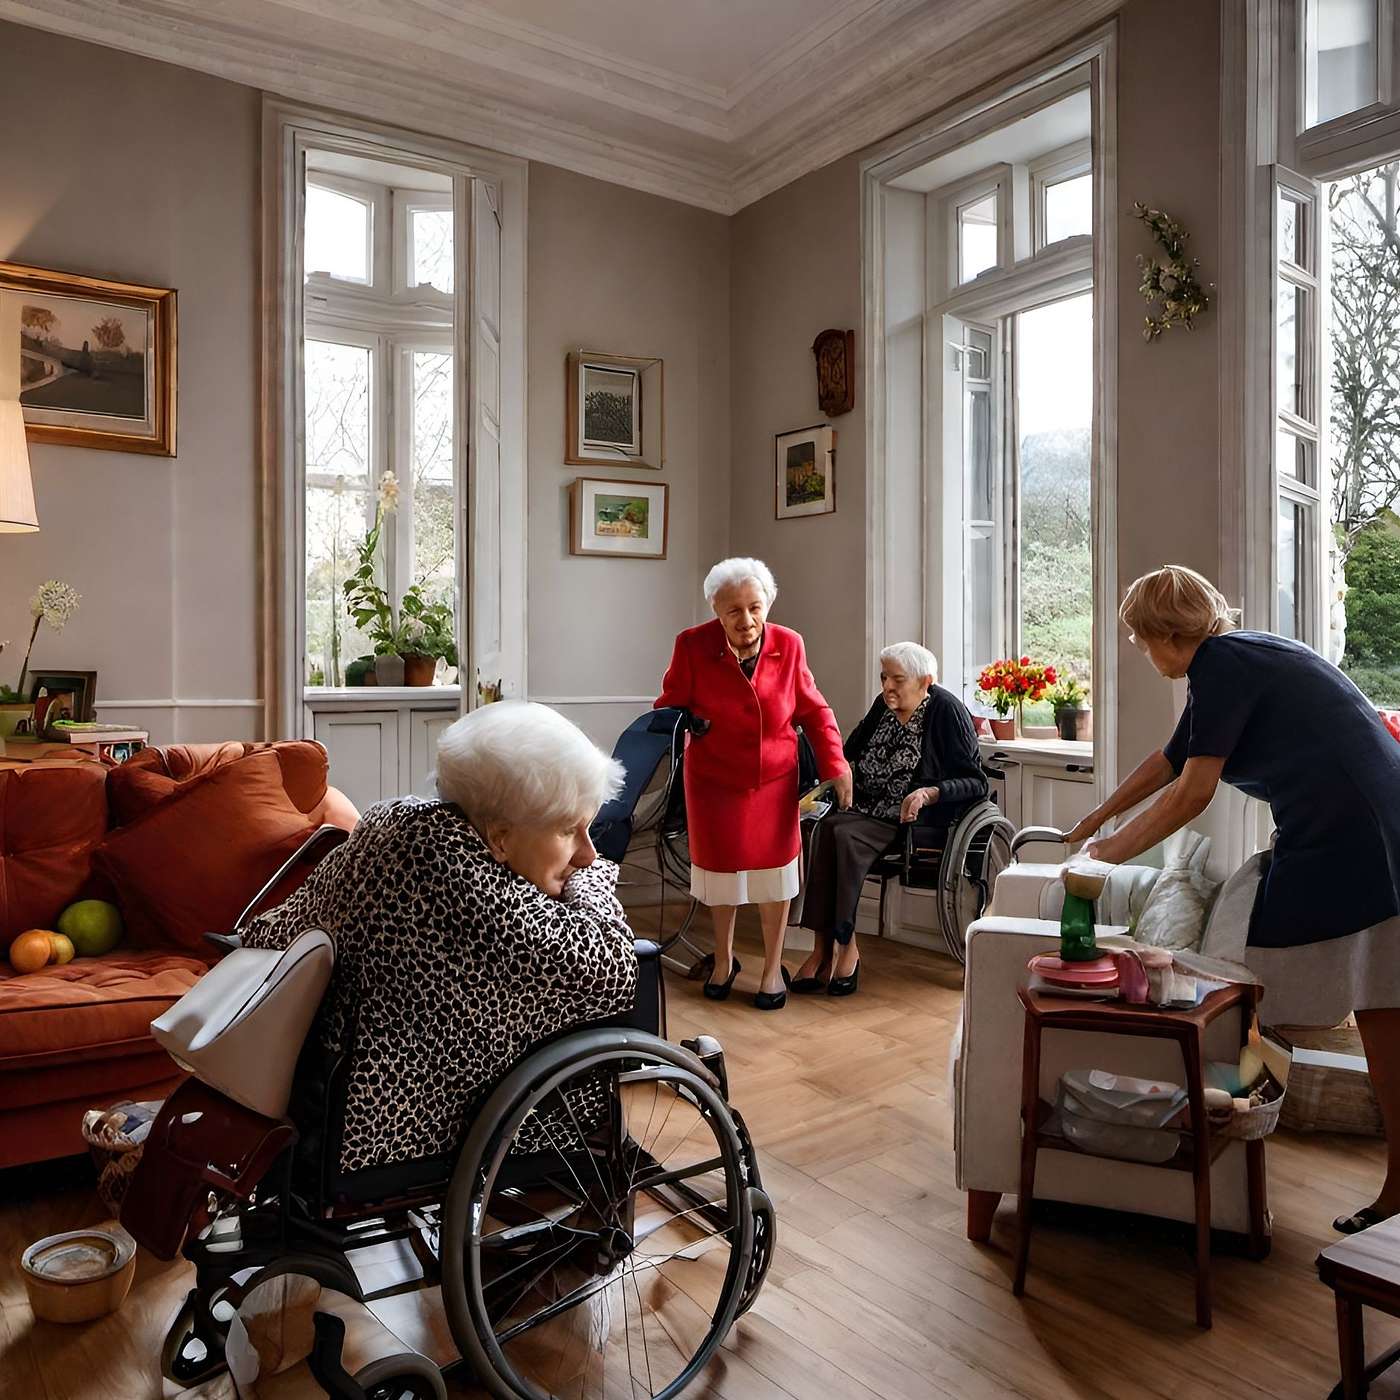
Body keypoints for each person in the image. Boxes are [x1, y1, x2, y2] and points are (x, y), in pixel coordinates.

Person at [1068, 564, 1400, 1234]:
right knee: (1364, 1000)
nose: (1143, 651)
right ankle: (1247, 1106)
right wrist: (1090, 822)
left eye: (1141, 639)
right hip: (1357, 828)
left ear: (1163, 634)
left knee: (1288, 983)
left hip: (1358, 839)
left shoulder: (1223, 663)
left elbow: (1192, 793)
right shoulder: (1239, 657)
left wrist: (1104, 856)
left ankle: (1240, 1105)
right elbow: (1168, 761)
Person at [241, 701, 638, 1176]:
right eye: (568, 830)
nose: (589, 854)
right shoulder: (467, 881)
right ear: (500, 836)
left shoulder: (397, 819)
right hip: (391, 1131)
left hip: (316, 1096)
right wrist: (591, 885)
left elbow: (269, 930)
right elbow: (614, 965)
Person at [656, 557, 850, 1010]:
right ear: (715, 610)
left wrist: (835, 765)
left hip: (773, 781)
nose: (747, 620)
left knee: (773, 880)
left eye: (755, 607)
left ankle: (770, 970)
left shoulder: (790, 644)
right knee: (722, 878)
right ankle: (723, 961)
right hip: (713, 782)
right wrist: (688, 723)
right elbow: (668, 706)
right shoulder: (691, 645)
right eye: (733, 611)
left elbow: (814, 710)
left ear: (768, 604)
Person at [793, 642, 988, 995]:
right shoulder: (883, 707)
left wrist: (930, 792)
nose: (887, 687)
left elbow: (976, 781)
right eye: (884, 677)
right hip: (862, 808)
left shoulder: (946, 711)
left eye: (897, 679)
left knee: (839, 832)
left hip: (910, 821)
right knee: (821, 829)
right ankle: (822, 950)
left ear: (925, 681)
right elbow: (850, 751)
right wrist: (840, 772)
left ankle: (846, 946)